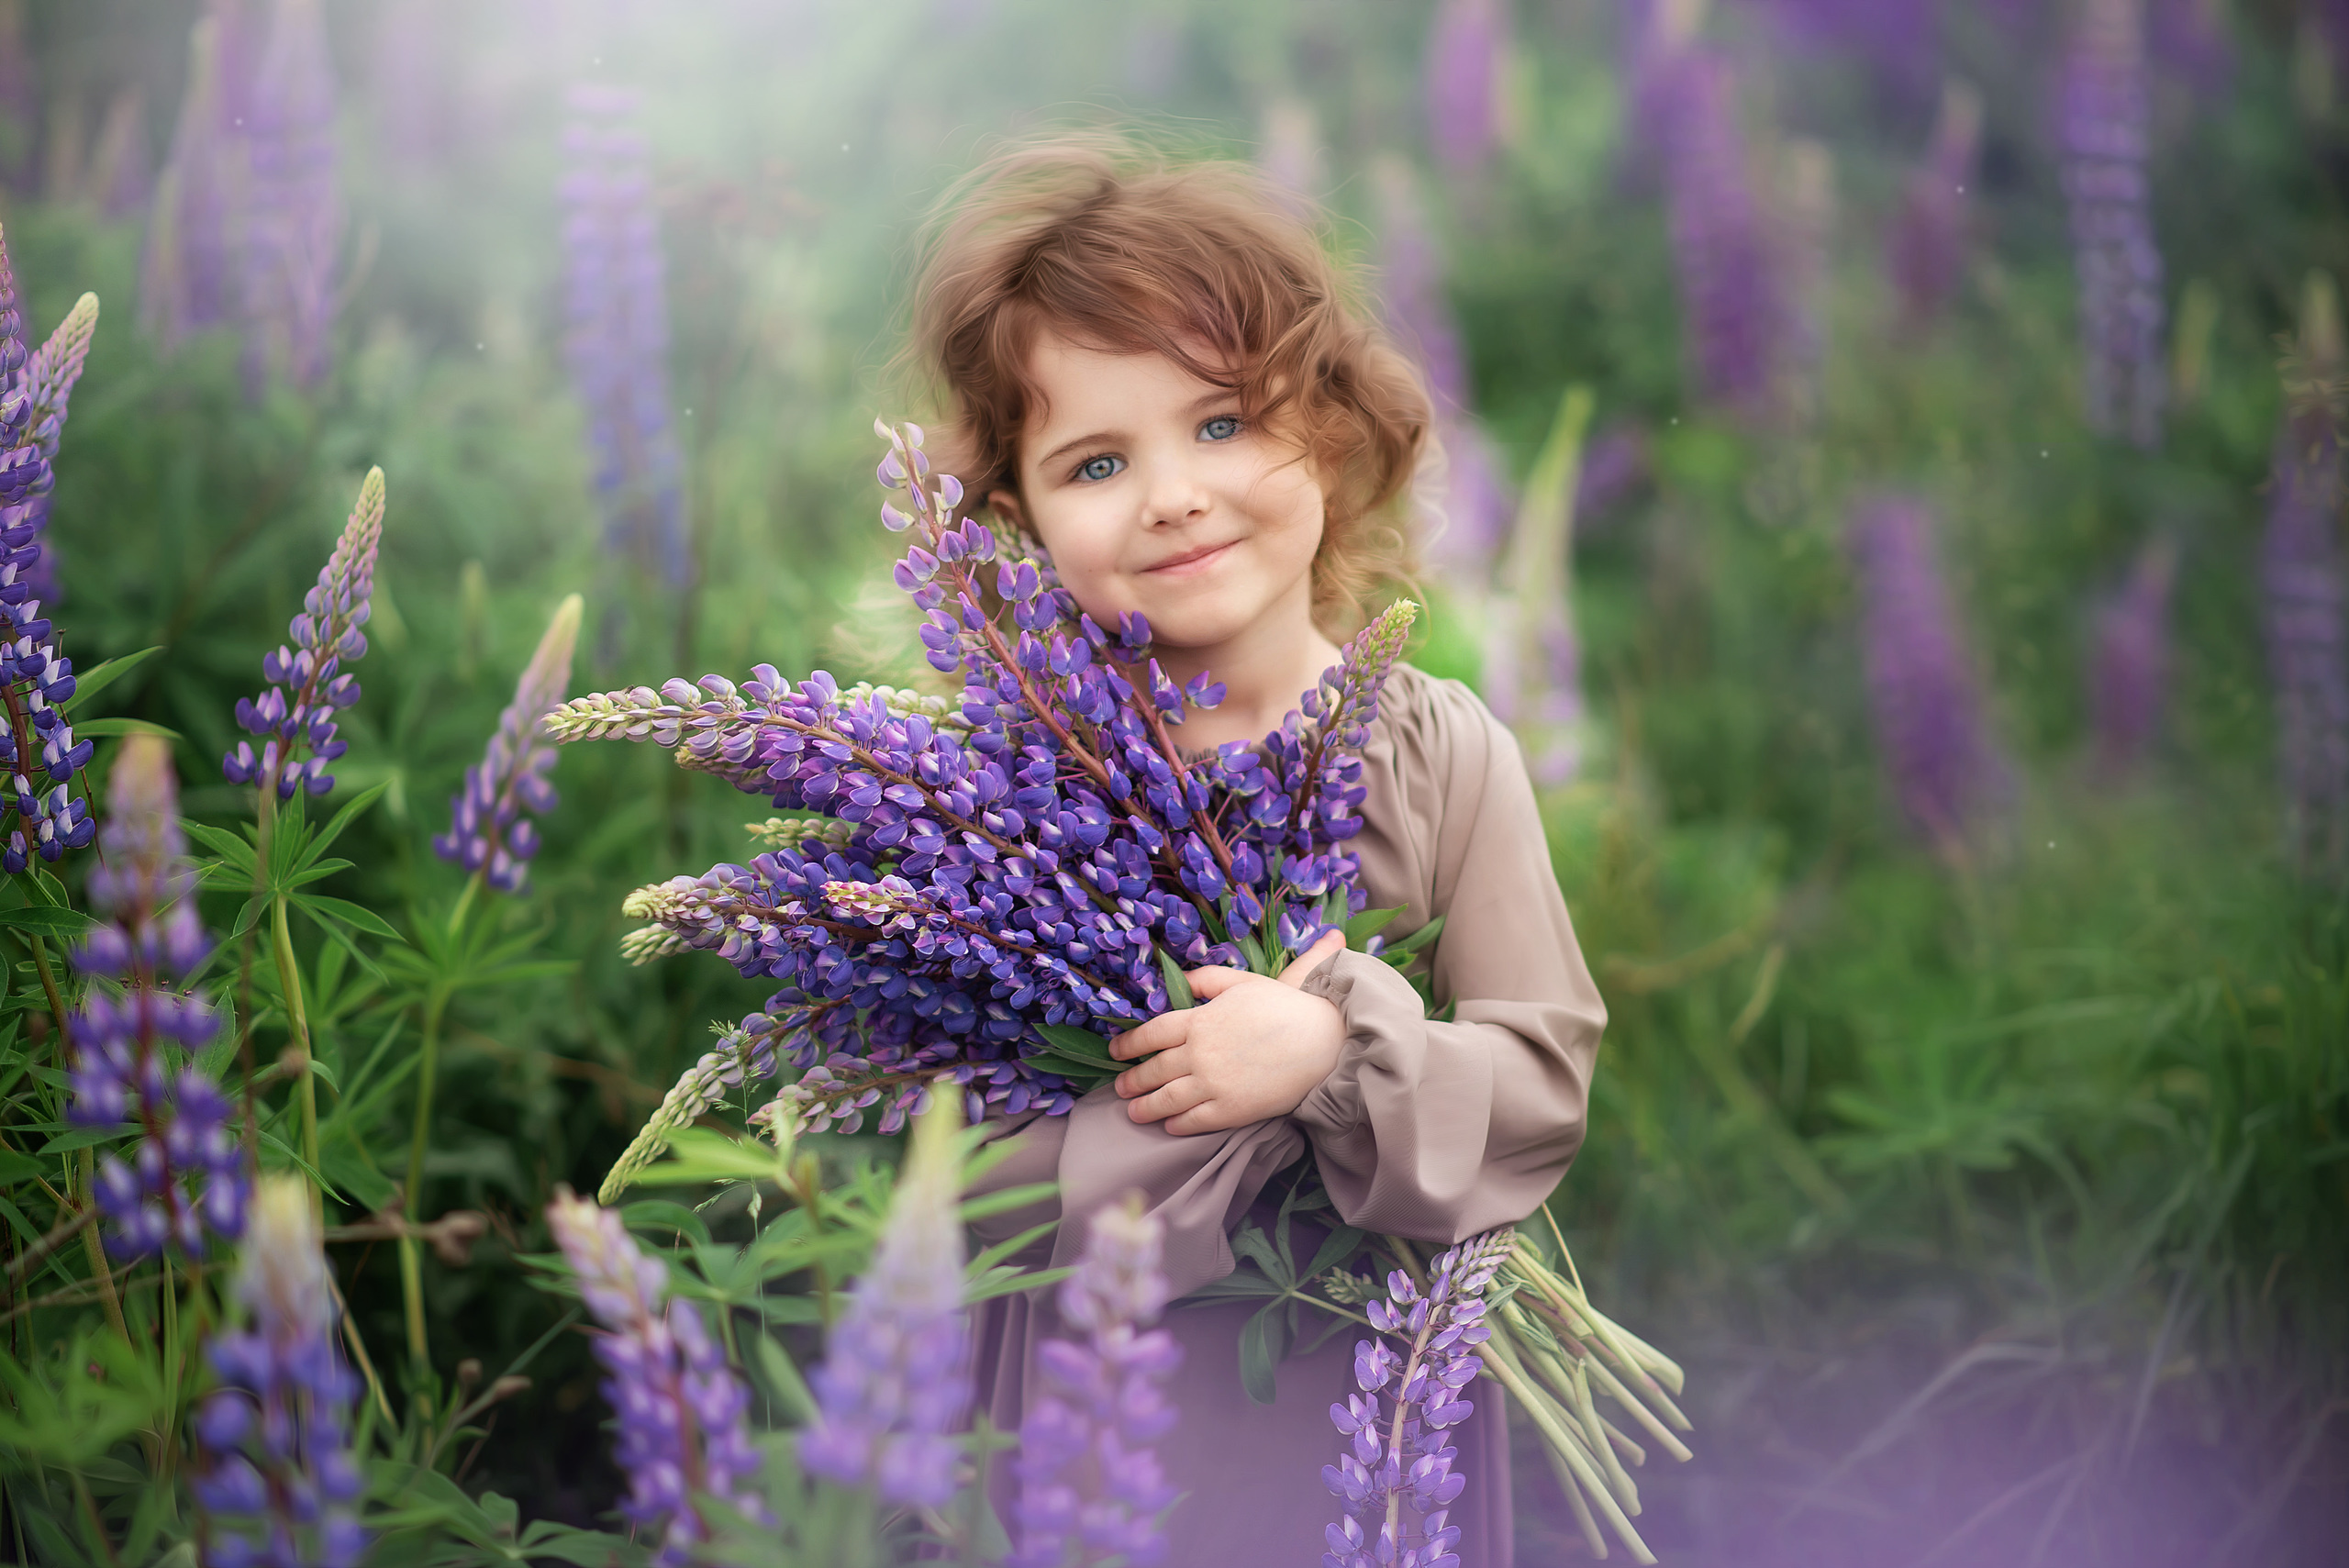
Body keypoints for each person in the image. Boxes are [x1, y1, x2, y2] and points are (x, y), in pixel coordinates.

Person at [902, 136, 1606, 1568]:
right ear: (1018, 521)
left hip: (1371, 1392)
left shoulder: (1443, 751)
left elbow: (1543, 1080)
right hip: (1098, 1398)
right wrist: (1175, 1116)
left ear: (1330, 431)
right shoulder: (997, 790)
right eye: (1096, 460)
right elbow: (943, 1158)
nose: (1172, 492)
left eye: (1221, 423)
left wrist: (1333, 1059)